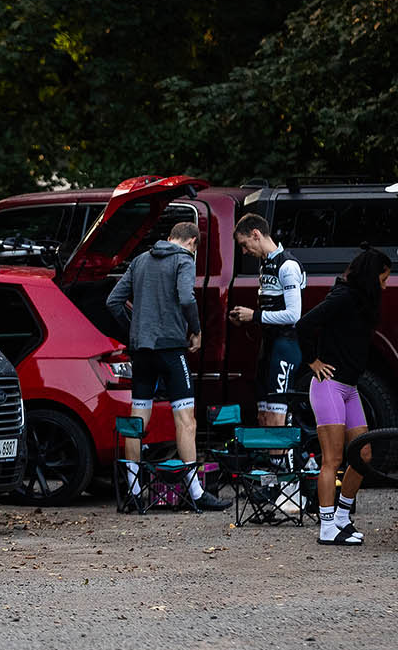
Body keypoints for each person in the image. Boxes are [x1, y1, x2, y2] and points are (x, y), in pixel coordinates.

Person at [106, 221, 228, 511]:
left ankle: (134, 492)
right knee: (186, 420)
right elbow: (186, 297)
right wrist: (196, 330)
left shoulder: (140, 260)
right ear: (192, 243)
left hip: (142, 350)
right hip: (171, 350)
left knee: (137, 419)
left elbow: (113, 302)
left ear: (170, 237)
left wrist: (133, 330)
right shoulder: (183, 260)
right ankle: (196, 493)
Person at [296, 245, 391, 545]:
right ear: (371, 276)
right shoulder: (342, 297)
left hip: (350, 388)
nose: (385, 286)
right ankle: (327, 527)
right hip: (329, 387)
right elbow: (304, 324)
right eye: (383, 279)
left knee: (363, 455)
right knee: (333, 458)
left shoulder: (362, 301)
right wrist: (312, 361)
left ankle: (341, 517)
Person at [228, 214, 306, 427]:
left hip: (285, 344)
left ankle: (283, 450)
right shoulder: (265, 264)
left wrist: (254, 315)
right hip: (268, 345)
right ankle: (266, 451)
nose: (244, 251)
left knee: (275, 417)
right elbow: (269, 307)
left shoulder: (287, 265)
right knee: (262, 415)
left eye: (244, 244)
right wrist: (245, 318)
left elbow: (293, 315)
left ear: (256, 234)